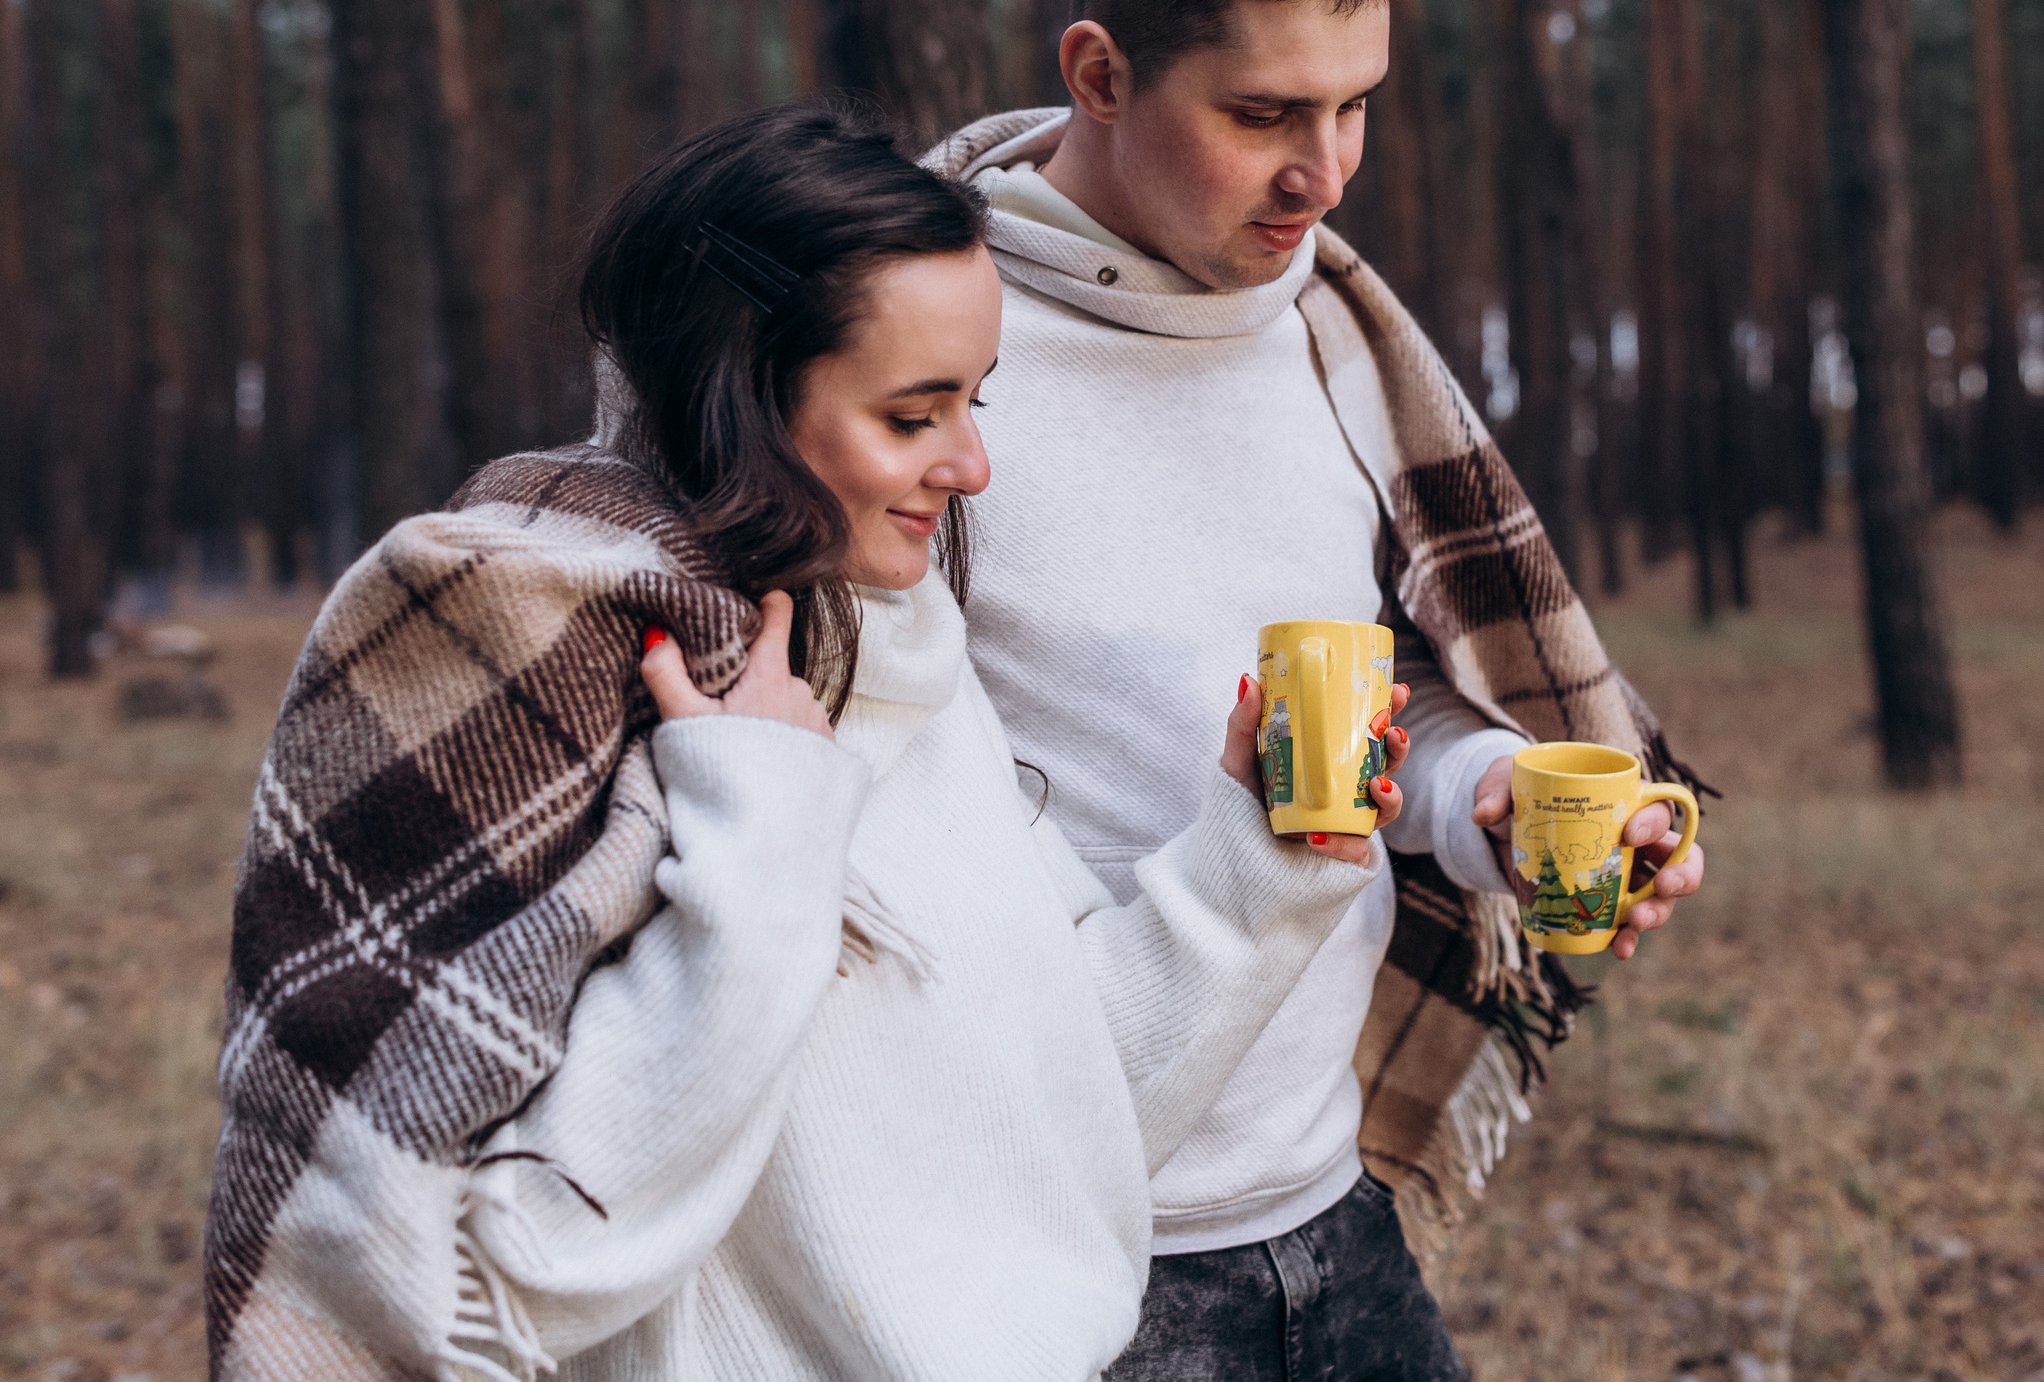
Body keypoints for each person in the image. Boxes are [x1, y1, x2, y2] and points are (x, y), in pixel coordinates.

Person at [203, 99, 1398, 1382]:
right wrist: (763, 835)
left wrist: (1263, 864)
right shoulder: (535, 648)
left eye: (975, 401)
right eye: (911, 414)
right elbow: (490, 1283)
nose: (974, 467)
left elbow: (1052, 1128)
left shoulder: (880, 647)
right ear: (741, 398)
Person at [923, 0, 1709, 1381]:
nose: (1324, 174)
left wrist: (1484, 795)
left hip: (1333, 1215)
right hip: (1055, 1256)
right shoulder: (914, 353)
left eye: (1358, 108)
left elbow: (1352, 715)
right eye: (1268, 111)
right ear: (1098, 74)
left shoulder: (1336, 339)